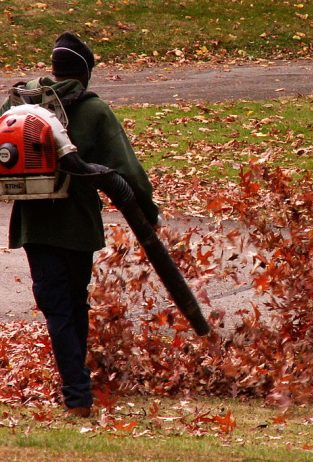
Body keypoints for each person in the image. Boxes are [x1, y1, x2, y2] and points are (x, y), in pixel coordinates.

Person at [0, 32, 160, 417]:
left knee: (57, 308)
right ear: (84, 73)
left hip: (34, 225)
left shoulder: (18, 104)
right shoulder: (93, 110)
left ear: (55, 68)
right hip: (78, 225)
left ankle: (76, 392)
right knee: (73, 304)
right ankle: (78, 395)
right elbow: (128, 172)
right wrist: (148, 213)